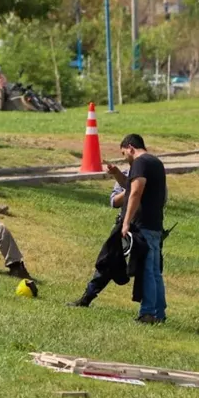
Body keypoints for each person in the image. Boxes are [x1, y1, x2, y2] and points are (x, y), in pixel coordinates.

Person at [113, 134, 168, 324]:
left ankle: (147, 312)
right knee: (154, 271)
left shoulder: (139, 163)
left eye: (124, 154)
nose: (125, 158)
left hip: (142, 224)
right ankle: (159, 313)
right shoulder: (156, 162)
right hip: (155, 224)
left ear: (130, 147)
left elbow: (135, 192)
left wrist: (126, 221)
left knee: (146, 270)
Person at [68, 169, 129, 308]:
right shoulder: (125, 173)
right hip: (123, 226)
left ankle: (150, 310)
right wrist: (130, 190)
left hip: (144, 226)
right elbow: (114, 202)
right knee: (107, 261)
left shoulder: (151, 171)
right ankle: (87, 297)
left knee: (147, 268)